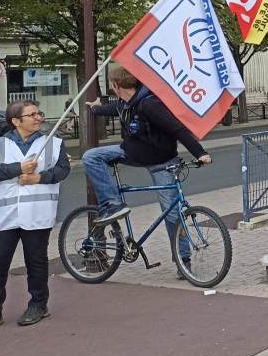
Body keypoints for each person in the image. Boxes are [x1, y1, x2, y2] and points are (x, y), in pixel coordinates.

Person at [84, 66, 212, 276]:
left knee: (172, 214)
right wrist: (96, 109)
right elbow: (114, 108)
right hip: (132, 153)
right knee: (91, 157)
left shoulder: (150, 104)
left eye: (111, 85)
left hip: (162, 162)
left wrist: (200, 153)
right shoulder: (125, 103)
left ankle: (183, 260)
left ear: (116, 85)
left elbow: (177, 129)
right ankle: (112, 204)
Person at [0, 101, 70, 332]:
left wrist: (39, 178)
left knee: (36, 262)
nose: (39, 118)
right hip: (4, 216)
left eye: (39, 113)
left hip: (38, 214)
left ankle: (38, 305)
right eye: (32, 115)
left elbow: (62, 170)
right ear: (16, 121)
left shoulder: (53, 143)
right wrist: (18, 168)